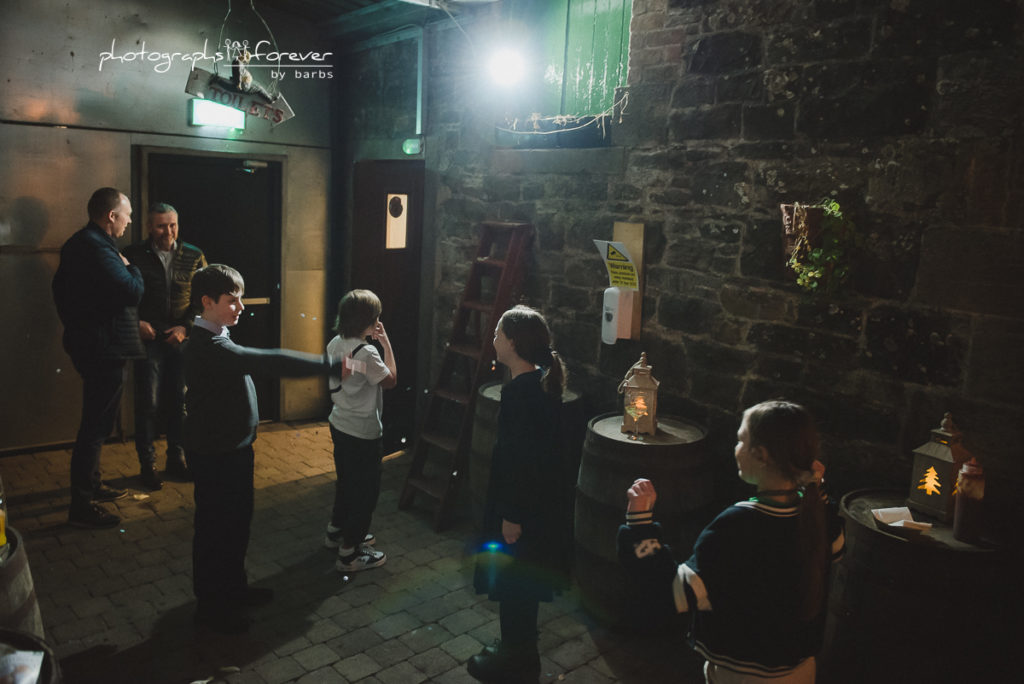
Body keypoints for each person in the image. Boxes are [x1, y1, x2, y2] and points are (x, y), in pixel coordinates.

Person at [618, 400, 845, 683]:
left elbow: (673, 594)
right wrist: (818, 488)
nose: (736, 448)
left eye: (740, 440)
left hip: (743, 675)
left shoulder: (736, 526)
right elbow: (837, 546)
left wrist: (640, 524)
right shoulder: (817, 514)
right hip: (801, 670)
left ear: (761, 455)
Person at [183, 264, 344, 634]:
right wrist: (329, 365)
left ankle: (233, 589)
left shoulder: (218, 334)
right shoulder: (208, 345)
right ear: (207, 302)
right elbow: (268, 360)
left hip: (232, 448)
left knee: (236, 523)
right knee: (216, 529)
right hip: (217, 452)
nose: (240, 307)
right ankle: (211, 609)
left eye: (240, 297)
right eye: (231, 300)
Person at [468, 305, 572, 684]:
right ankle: (518, 646)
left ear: (512, 342)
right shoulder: (539, 385)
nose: (493, 340)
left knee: (513, 583)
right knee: (520, 582)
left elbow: (521, 460)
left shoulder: (522, 395)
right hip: (535, 509)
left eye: (498, 334)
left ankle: (516, 659)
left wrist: (511, 515)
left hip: (520, 510)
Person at [52, 187, 145, 529]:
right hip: (103, 348)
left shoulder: (81, 244)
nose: (129, 221)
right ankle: (82, 505)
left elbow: (59, 290)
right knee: (95, 426)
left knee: (98, 422)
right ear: (111, 216)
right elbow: (131, 291)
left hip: (92, 344)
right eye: (127, 214)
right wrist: (132, 267)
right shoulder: (97, 247)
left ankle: (91, 485)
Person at [123, 203, 207, 490]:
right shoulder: (133, 255)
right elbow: (121, 296)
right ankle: (148, 466)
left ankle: (176, 459)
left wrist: (186, 327)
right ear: (149, 227)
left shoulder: (194, 255)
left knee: (179, 403)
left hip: (180, 340)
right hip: (149, 340)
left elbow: (203, 301)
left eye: (172, 225)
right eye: (161, 225)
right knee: (147, 403)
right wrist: (136, 322)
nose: (168, 231)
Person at [323, 290, 397, 572]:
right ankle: (349, 553)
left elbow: (352, 370)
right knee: (365, 492)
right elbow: (390, 380)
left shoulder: (335, 344)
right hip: (363, 432)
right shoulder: (366, 352)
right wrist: (386, 343)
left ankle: (335, 531)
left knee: (346, 481)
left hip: (339, 423)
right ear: (370, 320)